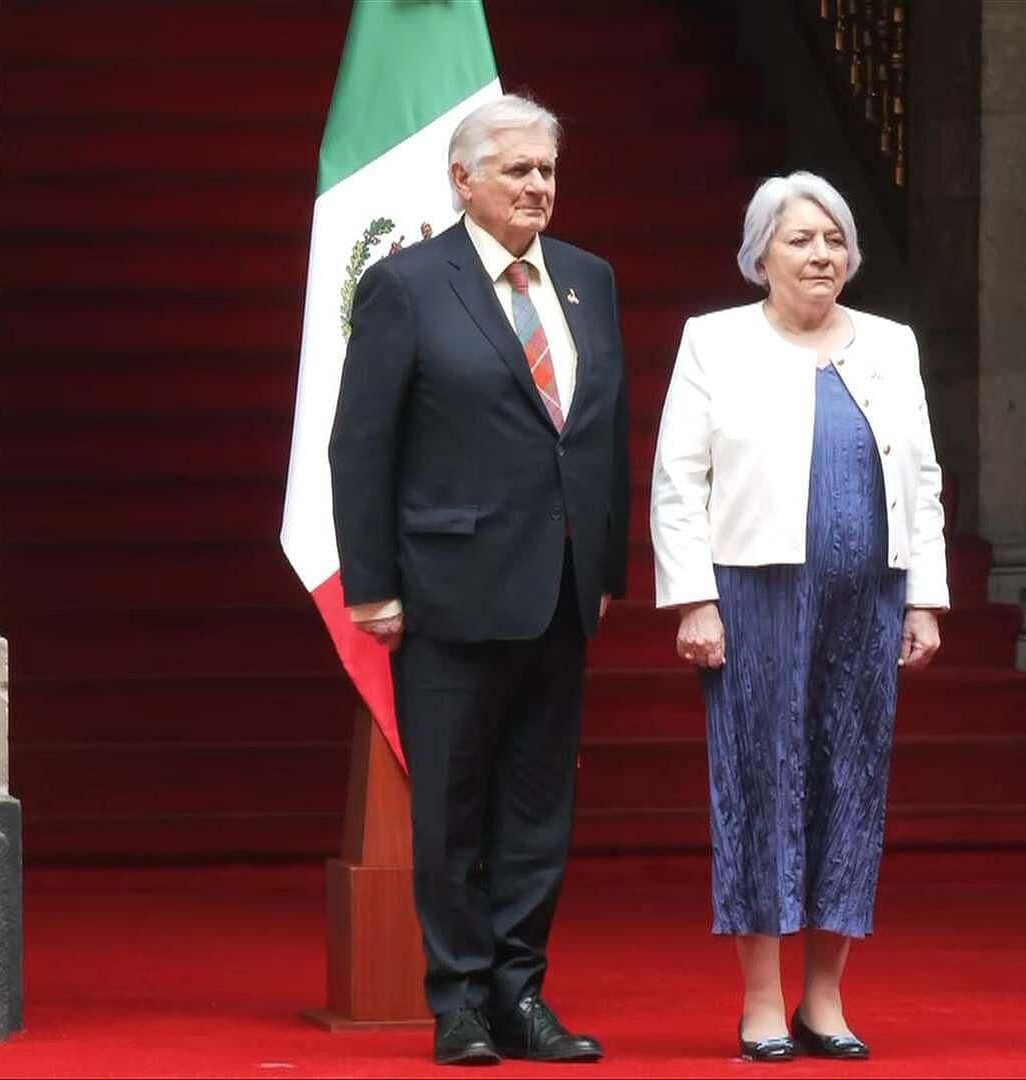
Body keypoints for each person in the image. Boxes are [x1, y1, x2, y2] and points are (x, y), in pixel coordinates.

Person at [328, 93, 627, 1067]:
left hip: (562, 590)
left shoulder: (588, 279)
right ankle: (456, 1001)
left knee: (539, 812)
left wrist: (606, 562)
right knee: (453, 809)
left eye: (547, 169)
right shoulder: (409, 286)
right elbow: (361, 443)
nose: (539, 186)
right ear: (464, 180)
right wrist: (370, 584)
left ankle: (520, 995)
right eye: (518, 171)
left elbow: (602, 435)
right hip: (448, 591)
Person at [649, 171, 948, 1063]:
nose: (821, 256)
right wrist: (693, 597)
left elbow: (923, 478)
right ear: (759, 256)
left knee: (851, 786)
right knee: (761, 786)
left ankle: (826, 1000)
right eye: (800, 240)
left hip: (869, 596)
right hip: (755, 594)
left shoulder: (892, 344)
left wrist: (926, 595)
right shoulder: (715, 341)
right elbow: (678, 481)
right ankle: (762, 1003)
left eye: (834, 241)